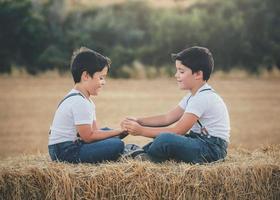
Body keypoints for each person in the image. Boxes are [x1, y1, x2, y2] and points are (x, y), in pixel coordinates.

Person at [121, 46, 230, 164]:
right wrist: (139, 121)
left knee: (165, 139)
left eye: (181, 71)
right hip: (198, 141)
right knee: (164, 139)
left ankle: (146, 157)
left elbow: (178, 131)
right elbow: (167, 118)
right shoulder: (192, 96)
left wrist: (141, 131)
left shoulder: (203, 98)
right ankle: (142, 154)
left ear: (198, 74)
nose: (176, 75)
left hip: (212, 149)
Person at [48, 47, 126, 163]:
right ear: (86, 76)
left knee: (108, 132)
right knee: (117, 144)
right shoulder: (79, 102)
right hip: (65, 152)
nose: (103, 82)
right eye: (101, 77)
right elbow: (88, 137)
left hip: (70, 146)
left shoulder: (85, 100)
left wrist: (120, 131)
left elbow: (95, 131)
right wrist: (118, 132)